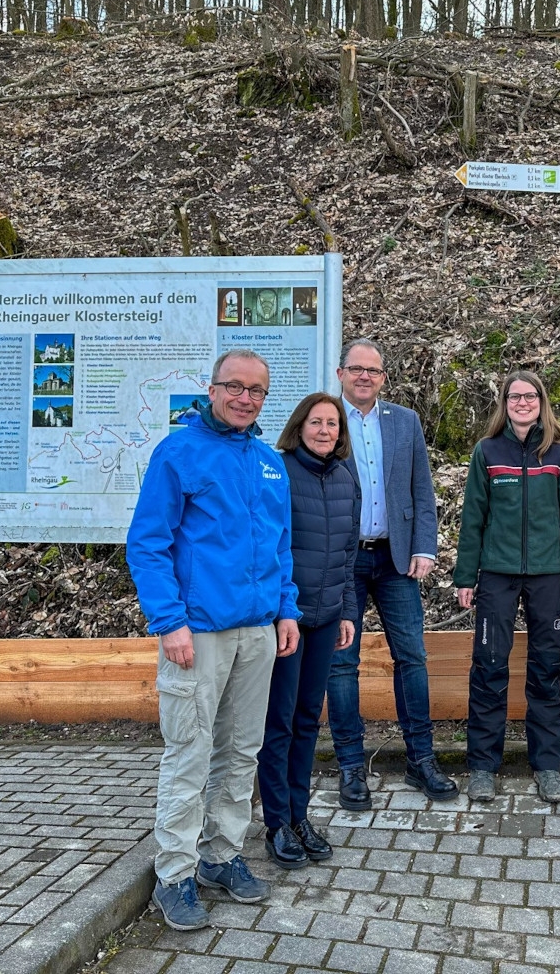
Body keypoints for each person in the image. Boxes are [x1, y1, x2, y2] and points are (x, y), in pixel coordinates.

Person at [126, 349, 301, 930]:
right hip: (197, 632)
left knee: (240, 750)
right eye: (235, 387)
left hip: (256, 631)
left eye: (257, 391)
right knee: (189, 753)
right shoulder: (178, 452)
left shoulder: (268, 461)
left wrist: (286, 611)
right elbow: (148, 544)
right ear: (213, 387)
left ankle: (221, 855)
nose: (245, 398)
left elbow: (279, 547)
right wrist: (169, 621)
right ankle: (173, 874)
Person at [326, 338, 458, 808]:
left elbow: (422, 489)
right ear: (340, 373)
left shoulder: (405, 421)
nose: (365, 376)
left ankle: (421, 760)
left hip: (396, 558)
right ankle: (349, 766)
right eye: (356, 369)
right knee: (341, 664)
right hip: (342, 562)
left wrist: (425, 544)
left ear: (384, 377)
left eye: (374, 370)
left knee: (413, 658)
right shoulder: (324, 420)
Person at [454, 370, 560, 804]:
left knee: (546, 670)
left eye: (530, 396)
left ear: (542, 401)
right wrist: (465, 576)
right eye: (515, 397)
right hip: (497, 574)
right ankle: (482, 767)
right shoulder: (488, 452)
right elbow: (473, 518)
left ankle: (547, 765)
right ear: (505, 403)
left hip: (549, 577)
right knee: (489, 667)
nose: (523, 402)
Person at [261, 393, 360, 869]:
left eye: (333, 424)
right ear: (299, 426)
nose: (325, 431)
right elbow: (271, 547)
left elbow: (348, 557)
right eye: (317, 422)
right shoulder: (279, 471)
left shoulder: (344, 478)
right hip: (287, 621)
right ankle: (276, 822)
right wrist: (283, 612)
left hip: (326, 619)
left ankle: (299, 816)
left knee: (306, 721)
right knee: (277, 722)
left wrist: (348, 612)